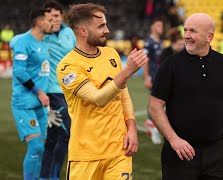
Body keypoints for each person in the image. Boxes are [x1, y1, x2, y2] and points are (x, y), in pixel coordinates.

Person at [149, 13, 223, 180]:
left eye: (193, 31)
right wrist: (174, 140)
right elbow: (155, 106)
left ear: (209, 37)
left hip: (216, 154)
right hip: (179, 153)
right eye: (185, 30)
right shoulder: (170, 65)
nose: (187, 35)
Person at [56, 3, 147, 179]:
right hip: (85, 155)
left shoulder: (111, 54)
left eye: (105, 24)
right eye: (101, 26)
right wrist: (127, 71)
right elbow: (98, 98)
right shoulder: (68, 67)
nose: (107, 30)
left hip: (119, 151)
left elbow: (123, 95)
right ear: (83, 31)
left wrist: (132, 127)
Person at [10, 7, 53, 180]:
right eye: (50, 20)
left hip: (40, 106)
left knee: (41, 149)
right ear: (40, 22)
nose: (53, 23)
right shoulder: (23, 42)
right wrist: (39, 92)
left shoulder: (43, 43)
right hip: (25, 103)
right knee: (35, 147)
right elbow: (19, 72)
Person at [40, 1, 76, 180]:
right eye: (50, 16)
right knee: (66, 132)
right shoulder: (40, 36)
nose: (53, 20)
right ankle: (53, 176)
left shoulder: (69, 33)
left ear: (62, 17)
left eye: (56, 16)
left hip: (70, 91)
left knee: (54, 137)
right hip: (52, 92)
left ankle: (44, 176)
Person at [143, 17, 164, 144]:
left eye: (162, 26)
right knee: (157, 103)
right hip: (153, 77)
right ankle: (154, 129)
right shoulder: (149, 42)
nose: (161, 28)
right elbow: (145, 59)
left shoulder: (160, 41)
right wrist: (146, 77)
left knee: (157, 102)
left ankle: (150, 122)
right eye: (158, 26)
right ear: (152, 27)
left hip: (160, 77)